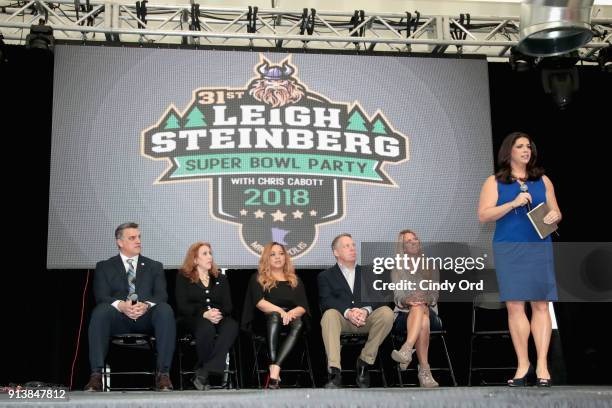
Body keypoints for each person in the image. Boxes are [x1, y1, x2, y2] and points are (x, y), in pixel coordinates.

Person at [478, 132, 562, 387]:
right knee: (515, 306)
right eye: (520, 146)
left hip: (539, 246)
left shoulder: (543, 180)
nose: (526, 150)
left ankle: (543, 366)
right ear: (509, 151)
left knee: (540, 305)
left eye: (529, 146)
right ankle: (523, 364)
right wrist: (513, 203)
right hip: (509, 248)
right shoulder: (494, 182)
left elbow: (557, 211)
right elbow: (483, 215)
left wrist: (554, 216)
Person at [85, 222, 176, 392]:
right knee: (100, 311)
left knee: (165, 310)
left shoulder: (154, 266)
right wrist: (121, 305)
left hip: (146, 317)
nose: (138, 241)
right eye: (132, 238)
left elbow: (161, 295)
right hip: (118, 318)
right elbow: (101, 296)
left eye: (139, 237)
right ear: (120, 242)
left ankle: (163, 374)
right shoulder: (104, 266)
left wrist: (146, 305)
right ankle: (96, 375)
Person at [318, 233, 394, 388]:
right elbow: (326, 300)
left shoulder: (369, 271)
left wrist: (365, 310)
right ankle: (334, 372)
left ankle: (364, 361)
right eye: (346, 246)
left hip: (367, 319)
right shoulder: (325, 276)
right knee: (329, 315)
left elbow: (381, 297)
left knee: (387, 313)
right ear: (336, 252)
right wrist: (348, 312)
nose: (352, 248)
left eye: (353, 245)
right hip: (342, 321)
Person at [241, 242, 310, 389]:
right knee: (273, 316)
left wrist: (290, 313)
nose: (278, 257)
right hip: (264, 319)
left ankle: (275, 368)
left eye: (281, 253)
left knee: (298, 323)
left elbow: (303, 306)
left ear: (285, 257)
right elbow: (260, 303)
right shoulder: (258, 278)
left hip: (291, 318)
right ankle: (275, 367)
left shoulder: (295, 280)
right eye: (273, 254)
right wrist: (281, 312)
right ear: (267, 258)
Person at [175, 242, 238, 390]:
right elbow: (182, 306)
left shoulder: (220, 278)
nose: (210, 257)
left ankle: (203, 371)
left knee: (231, 325)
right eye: (205, 254)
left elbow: (228, 306)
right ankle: (206, 371)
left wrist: (217, 313)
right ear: (195, 259)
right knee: (206, 327)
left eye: (210, 253)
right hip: (192, 318)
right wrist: (204, 313)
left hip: (218, 317)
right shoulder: (183, 277)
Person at [390, 229, 440, 388]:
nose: (414, 242)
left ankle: (407, 348)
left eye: (415, 239)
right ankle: (424, 370)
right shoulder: (397, 267)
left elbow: (434, 295)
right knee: (422, 319)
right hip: (403, 315)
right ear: (403, 247)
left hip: (431, 312)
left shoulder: (431, 265)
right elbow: (397, 296)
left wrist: (424, 298)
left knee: (422, 310)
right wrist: (408, 300)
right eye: (409, 241)